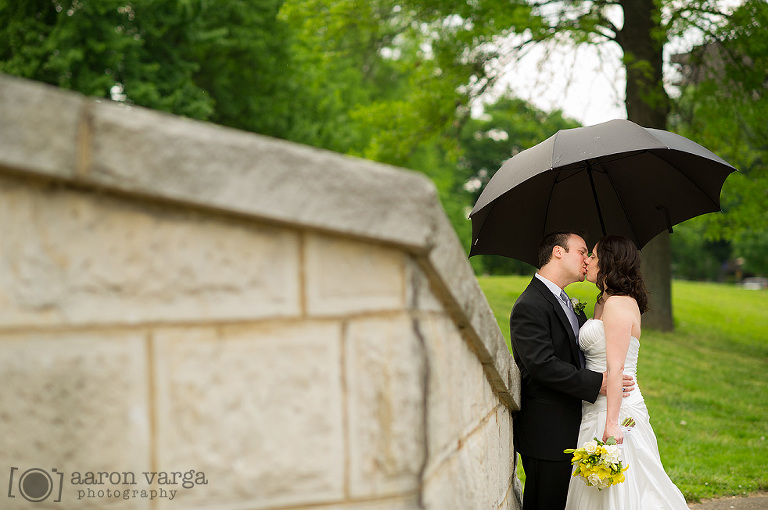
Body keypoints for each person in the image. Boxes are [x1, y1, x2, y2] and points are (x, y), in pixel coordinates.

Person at [510, 231, 635, 510]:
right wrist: (597, 384)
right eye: (582, 251)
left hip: (577, 426)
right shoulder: (530, 304)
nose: (587, 260)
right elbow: (542, 365)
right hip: (548, 433)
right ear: (558, 252)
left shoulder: (567, 302)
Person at [565, 235, 688, 509]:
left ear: (609, 262)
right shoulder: (603, 302)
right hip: (594, 402)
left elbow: (616, 366)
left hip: (615, 408)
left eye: (593, 256)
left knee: (626, 484)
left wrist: (611, 424)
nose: (587, 260)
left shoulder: (619, 304)